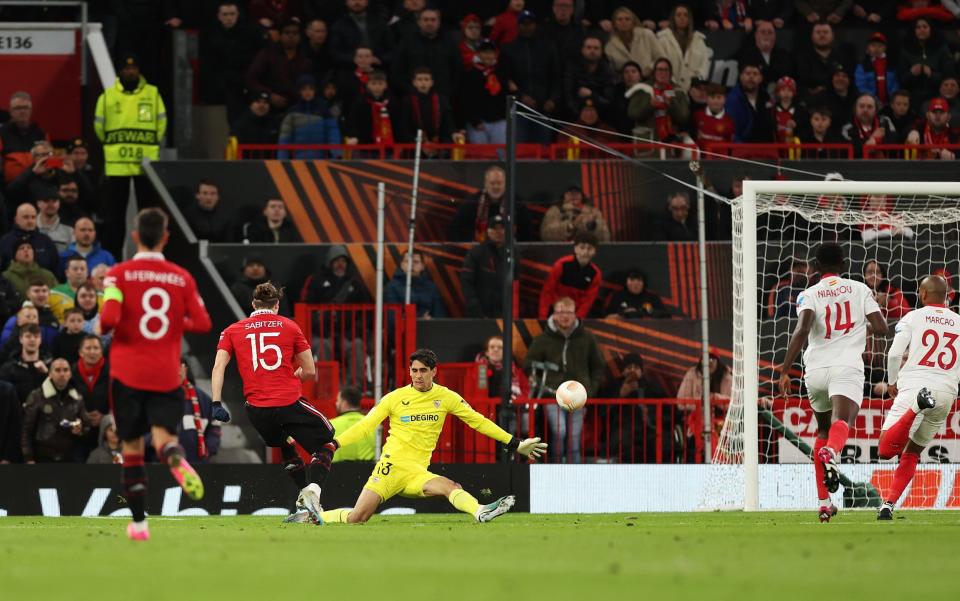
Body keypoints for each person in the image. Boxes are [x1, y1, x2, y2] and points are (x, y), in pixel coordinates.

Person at [315, 348, 547, 524]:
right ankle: (317, 517)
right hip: (390, 468)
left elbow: (478, 421)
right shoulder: (394, 398)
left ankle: (480, 511)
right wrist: (335, 443)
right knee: (358, 518)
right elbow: (365, 426)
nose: (417, 376)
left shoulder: (446, 397)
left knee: (449, 485)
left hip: (418, 472)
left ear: (434, 372)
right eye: (414, 370)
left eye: (423, 371)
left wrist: (515, 443)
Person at [98, 208, 212, 541]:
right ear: (166, 237)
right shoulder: (181, 277)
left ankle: (139, 526)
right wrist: (176, 325)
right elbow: (203, 323)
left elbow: (107, 320)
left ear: (135, 237)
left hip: (128, 372)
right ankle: (174, 456)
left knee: (131, 446)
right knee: (165, 439)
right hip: (166, 374)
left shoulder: (117, 275)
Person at [775, 243, 887, 523]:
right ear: (844, 264)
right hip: (846, 367)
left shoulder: (808, 293)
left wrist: (785, 370)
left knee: (822, 428)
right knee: (842, 422)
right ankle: (832, 452)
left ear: (815, 266)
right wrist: (864, 325)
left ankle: (824, 503)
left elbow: (801, 329)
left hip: (815, 370)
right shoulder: (860, 289)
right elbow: (883, 329)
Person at [213, 282, 336, 523]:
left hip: (257, 410)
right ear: (277, 305)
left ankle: (303, 501)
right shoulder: (290, 326)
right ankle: (313, 491)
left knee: (285, 444)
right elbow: (309, 370)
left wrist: (217, 402)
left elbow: (219, 366)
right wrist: (294, 376)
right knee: (328, 442)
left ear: (252, 304)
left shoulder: (233, 330)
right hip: (288, 401)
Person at [876, 275, 958, 519]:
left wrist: (892, 382)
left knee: (884, 449)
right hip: (945, 393)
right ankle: (888, 505)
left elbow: (893, 355)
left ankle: (915, 408)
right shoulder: (958, 322)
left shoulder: (913, 316)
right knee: (912, 453)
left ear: (922, 294)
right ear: (945, 296)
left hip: (915, 386)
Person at [94, 53, 167, 257]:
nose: (130, 71)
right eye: (127, 69)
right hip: (117, 163)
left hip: (145, 163)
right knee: (115, 216)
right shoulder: (108, 96)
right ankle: (113, 257)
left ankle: (150, 252)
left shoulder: (152, 94)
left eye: (134, 68)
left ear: (139, 70)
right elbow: (99, 127)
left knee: (148, 215)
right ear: (120, 72)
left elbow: (161, 123)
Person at [525, 297, 604, 463]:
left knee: (574, 438)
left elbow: (598, 366)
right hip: (552, 395)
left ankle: (573, 475)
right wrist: (542, 385)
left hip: (579, 395)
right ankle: (556, 469)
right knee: (559, 432)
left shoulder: (587, 338)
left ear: (575, 315)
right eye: (561, 312)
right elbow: (529, 366)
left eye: (569, 312)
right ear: (554, 315)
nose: (565, 316)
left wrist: (591, 389)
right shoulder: (542, 340)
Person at [501, 10, 561, 144]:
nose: (527, 27)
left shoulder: (548, 48)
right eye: (523, 24)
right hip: (519, 111)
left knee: (543, 152)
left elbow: (556, 77)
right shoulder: (509, 49)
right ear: (519, 26)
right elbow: (505, 79)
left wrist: (553, 99)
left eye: (530, 24)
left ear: (535, 25)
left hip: (543, 110)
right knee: (520, 153)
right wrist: (520, 96)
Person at [199, 1, 261, 126]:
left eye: (232, 14)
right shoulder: (210, 36)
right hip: (224, 84)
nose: (229, 18)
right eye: (225, 14)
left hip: (245, 81)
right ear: (219, 16)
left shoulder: (249, 34)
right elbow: (209, 66)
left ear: (238, 15)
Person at [20, 358, 90, 463]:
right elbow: (26, 429)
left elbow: (87, 426)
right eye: (57, 370)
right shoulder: (37, 396)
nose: (62, 374)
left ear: (70, 374)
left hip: (68, 457)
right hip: (42, 457)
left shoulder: (77, 398)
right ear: (50, 374)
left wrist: (80, 431)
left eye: (66, 370)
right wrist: (28, 457)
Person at [601, 352, 667, 463]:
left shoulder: (651, 386)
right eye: (629, 367)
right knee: (622, 441)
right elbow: (603, 411)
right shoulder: (614, 385)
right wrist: (620, 394)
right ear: (623, 370)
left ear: (641, 370)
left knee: (662, 442)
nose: (632, 370)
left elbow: (666, 409)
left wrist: (650, 413)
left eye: (636, 367)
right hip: (621, 427)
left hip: (648, 428)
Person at [449, 165, 533, 242]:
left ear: (506, 184)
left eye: (499, 183)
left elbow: (526, 232)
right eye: (492, 183)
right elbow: (455, 228)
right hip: (478, 250)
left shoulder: (517, 203)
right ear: (485, 184)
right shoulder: (473, 202)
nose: (496, 187)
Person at [676, 352, 733, 463]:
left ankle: (718, 466)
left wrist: (715, 399)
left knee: (717, 436)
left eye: (712, 359)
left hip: (722, 423)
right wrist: (699, 404)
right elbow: (680, 401)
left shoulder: (727, 377)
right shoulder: (692, 374)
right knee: (701, 436)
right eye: (706, 359)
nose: (709, 362)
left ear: (718, 361)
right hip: (697, 421)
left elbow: (735, 404)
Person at [245, 20, 313, 112]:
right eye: (287, 32)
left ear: (300, 37)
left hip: (296, 106)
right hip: (268, 104)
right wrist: (270, 95)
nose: (291, 36)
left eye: (295, 33)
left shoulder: (305, 60)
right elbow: (251, 79)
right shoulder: (267, 54)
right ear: (280, 36)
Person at [392, 8, 459, 98]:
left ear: (439, 23)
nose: (429, 23)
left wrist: (449, 92)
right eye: (425, 20)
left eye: (433, 20)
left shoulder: (449, 43)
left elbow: (457, 70)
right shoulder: (407, 42)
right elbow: (397, 70)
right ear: (419, 22)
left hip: (443, 97)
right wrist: (410, 90)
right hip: (413, 97)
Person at [627, 57, 692, 147]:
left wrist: (671, 104)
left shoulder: (678, 91)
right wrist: (650, 105)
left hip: (671, 144)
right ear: (654, 72)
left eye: (666, 70)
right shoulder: (642, 89)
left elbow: (684, 117)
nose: (663, 73)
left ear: (670, 73)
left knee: (692, 158)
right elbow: (632, 113)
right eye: (660, 70)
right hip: (647, 143)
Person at [460, 215, 515, 318]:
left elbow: (515, 284)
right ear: (488, 231)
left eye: (502, 228)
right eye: (494, 228)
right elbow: (466, 282)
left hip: (503, 316)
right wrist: (475, 308)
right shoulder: (476, 253)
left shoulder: (513, 253)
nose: (498, 232)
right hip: (478, 316)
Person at [538, 231, 602, 320]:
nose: (585, 252)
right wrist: (543, 317)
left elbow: (588, 302)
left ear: (595, 251)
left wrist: (577, 319)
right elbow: (547, 292)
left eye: (589, 248)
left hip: (575, 314)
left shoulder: (596, 274)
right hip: (554, 310)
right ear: (575, 248)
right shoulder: (561, 265)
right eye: (582, 247)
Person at [277, 74, 342, 159]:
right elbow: (284, 138)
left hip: (321, 160)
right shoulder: (292, 112)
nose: (308, 92)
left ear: (315, 91)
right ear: (299, 91)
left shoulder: (323, 109)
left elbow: (332, 131)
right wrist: (282, 161)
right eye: (304, 89)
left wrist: (336, 154)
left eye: (311, 89)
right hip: (298, 160)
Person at [460, 39, 508, 145]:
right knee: (480, 158)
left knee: (502, 156)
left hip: (499, 121)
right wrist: (474, 121)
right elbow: (465, 100)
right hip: (478, 123)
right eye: (485, 52)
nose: (488, 56)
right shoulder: (470, 74)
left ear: (495, 54)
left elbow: (506, 97)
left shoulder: (502, 72)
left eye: (491, 52)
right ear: (479, 54)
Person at [898, 17, 954, 107]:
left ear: (930, 29)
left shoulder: (941, 49)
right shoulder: (905, 50)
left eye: (925, 27)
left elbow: (948, 76)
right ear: (914, 30)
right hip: (912, 95)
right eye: (918, 27)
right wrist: (911, 73)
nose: (922, 30)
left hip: (937, 94)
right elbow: (901, 79)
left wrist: (931, 74)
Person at [795, 22, 854, 103]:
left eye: (826, 32)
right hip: (811, 101)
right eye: (818, 32)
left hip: (839, 101)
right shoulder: (802, 56)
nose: (822, 35)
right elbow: (803, 79)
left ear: (833, 36)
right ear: (812, 36)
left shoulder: (843, 56)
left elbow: (848, 80)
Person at [656, 4, 710, 92]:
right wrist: (672, 85)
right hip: (669, 88)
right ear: (673, 18)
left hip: (693, 89)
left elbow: (704, 66)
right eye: (678, 15)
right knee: (671, 103)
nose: (682, 18)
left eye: (685, 15)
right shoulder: (663, 39)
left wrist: (696, 84)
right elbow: (660, 64)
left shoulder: (698, 39)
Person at [396, 67, 457, 145]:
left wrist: (453, 133)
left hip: (438, 143)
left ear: (431, 82)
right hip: (415, 144)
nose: (423, 83)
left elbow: (448, 123)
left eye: (426, 79)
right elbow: (403, 128)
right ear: (414, 82)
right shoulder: (407, 101)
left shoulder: (441, 100)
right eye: (420, 79)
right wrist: (421, 143)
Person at [72, 333, 110, 456]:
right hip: (79, 432)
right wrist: (83, 416)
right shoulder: (70, 372)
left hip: (107, 432)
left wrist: (105, 417)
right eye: (88, 348)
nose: (92, 352)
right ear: (80, 352)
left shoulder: (113, 370)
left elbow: (120, 398)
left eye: (96, 348)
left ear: (101, 351)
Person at [0, 91, 47, 187]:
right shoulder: (2, 133)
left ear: (31, 110)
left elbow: (49, 161)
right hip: (9, 188)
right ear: (11, 111)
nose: (22, 111)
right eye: (17, 108)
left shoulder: (40, 133)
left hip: (37, 186)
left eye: (25, 108)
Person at [329, 0, 393, 70]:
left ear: (367, 2)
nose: (357, 2)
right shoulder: (339, 25)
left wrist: (378, 59)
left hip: (378, 71)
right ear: (346, 2)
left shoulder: (380, 23)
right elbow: (335, 52)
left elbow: (392, 49)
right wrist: (354, 59)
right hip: (349, 70)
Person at [178, 361, 221, 464]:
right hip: (162, 465)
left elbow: (215, 425)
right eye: (172, 366)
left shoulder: (203, 399)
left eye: (180, 366)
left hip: (198, 464)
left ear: (186, 369)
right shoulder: (157, 398)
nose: (177, 370)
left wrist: (209, 449)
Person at [564, 36, 616, 120]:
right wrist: (580, 116)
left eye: (596, 48)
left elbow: (609, 100)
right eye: (588, 47)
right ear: (582, 50)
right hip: (576, 117)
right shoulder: (572, 69)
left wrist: (592, 94)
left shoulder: (607, 72)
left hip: (602, 117)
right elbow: (568, 96)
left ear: (601, 51)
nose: (592, 51)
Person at [0, 203, 60, 273]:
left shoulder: (46, 241)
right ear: (16, 219)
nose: (30, 221)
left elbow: (56, 269)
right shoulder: (5, 242)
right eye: (26, 217)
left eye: (33, 217)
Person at [384, 250, 446, 319]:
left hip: (429, 328)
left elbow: (440, 316)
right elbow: (392, 318)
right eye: (407, 262)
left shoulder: (432, 287)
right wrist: (420, 319)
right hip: (402, 329)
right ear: (401, 265)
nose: (411, 265)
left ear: (422, 266)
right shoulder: (392, 287)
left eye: (416, 262)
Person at [734, 19, 793, 89]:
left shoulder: (784, 55)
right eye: (763, 32)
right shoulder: (745, 55)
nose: (766, 35)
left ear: (775, 36)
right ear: (756, 35)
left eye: (770, 32)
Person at [603, 7, 661, 77]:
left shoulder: (647, 35)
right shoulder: (610, 45)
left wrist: (648, 70)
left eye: (627, 19)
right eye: (619, 19)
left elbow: (660, 58)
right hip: (625, 82)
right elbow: (612, 70)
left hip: (650, 78)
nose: (623, 22)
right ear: (614, 24)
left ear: (633, 22)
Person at [0, 323, 52, 403]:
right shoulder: (8, 368)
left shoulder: (51, 365)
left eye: (36, 336)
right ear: (21, 339)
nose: (32, 339)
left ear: (40, 340)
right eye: (28, 336)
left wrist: (47, 374)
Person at [540, 185, 610, 243]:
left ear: (581, 195)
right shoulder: (555, 210)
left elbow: (605, 238)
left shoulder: (593, 211)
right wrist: (571, 225)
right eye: (570, 193)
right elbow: (546, 235)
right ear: (564, 195)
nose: (574, 196)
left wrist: (593, 226)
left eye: (577, 193)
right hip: (562, 249)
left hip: (586, 250)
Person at [344, 70, 397, 147]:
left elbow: (397, 123)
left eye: (380, 83)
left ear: (386, 85)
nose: (377, 87)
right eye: (373, 83)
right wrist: (353, 136)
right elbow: (352, 121)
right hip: (364, 144)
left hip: (388, 145)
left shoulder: (392, 101)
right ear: (367, 85)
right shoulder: (360, 102)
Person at [726, 62, 774, 143]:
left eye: (755, 74)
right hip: (742, 148)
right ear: (741, 77)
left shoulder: (767, 97)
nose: (751, 77)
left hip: (766, 147)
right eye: (747, 73)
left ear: (761, 78)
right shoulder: (732, 99)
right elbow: (731, 131)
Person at [329, 384, 375, 462]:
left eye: (338, 400)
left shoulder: (331, 425)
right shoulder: (372, 423)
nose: (336, 403)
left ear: (344, 402)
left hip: (338, 471)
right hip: (367, 470)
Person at [841, 93, 897, 157]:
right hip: (856, 165)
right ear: (855, 109)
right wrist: (874, 139)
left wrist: (873, 142)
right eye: (861, 106)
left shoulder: (884, 121)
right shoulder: (847, 127)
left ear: (876, 110)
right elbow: (852, 149)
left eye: (869, 106)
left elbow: (894, 140)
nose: (865, 110)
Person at [854, 32, 899, 106]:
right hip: (869, 104)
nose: (876, 49)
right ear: (868, 47)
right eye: (873, 45)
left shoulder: (891, 65)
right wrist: (874, 100)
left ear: (885, 48)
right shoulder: (862, 66)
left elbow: (896, 83)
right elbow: (861, 86)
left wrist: (892, 99)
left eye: (880, 46)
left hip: (890, 104)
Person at [50, 255, 88, 323]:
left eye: (82, 269)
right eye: (75, 269)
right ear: (67, 273)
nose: (79, 272)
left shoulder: (98, 295)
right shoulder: (53, 293)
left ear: (87, 272)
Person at [35, 188, 74, 252]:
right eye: (46, 201)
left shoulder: (69, 230)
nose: (51, 204)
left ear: (59, 203)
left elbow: (73, 255)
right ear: (38, 203)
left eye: (54, 201)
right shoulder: (29, 226)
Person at [771, 76, 806, 144]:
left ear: (794, 93)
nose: (786, 93)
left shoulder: (800, 110)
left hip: (794, 148)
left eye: (789, 90)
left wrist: (796, 124)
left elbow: (805, 127)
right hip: (776, 146)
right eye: (783, 90)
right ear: (778, 92)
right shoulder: (772, 109)